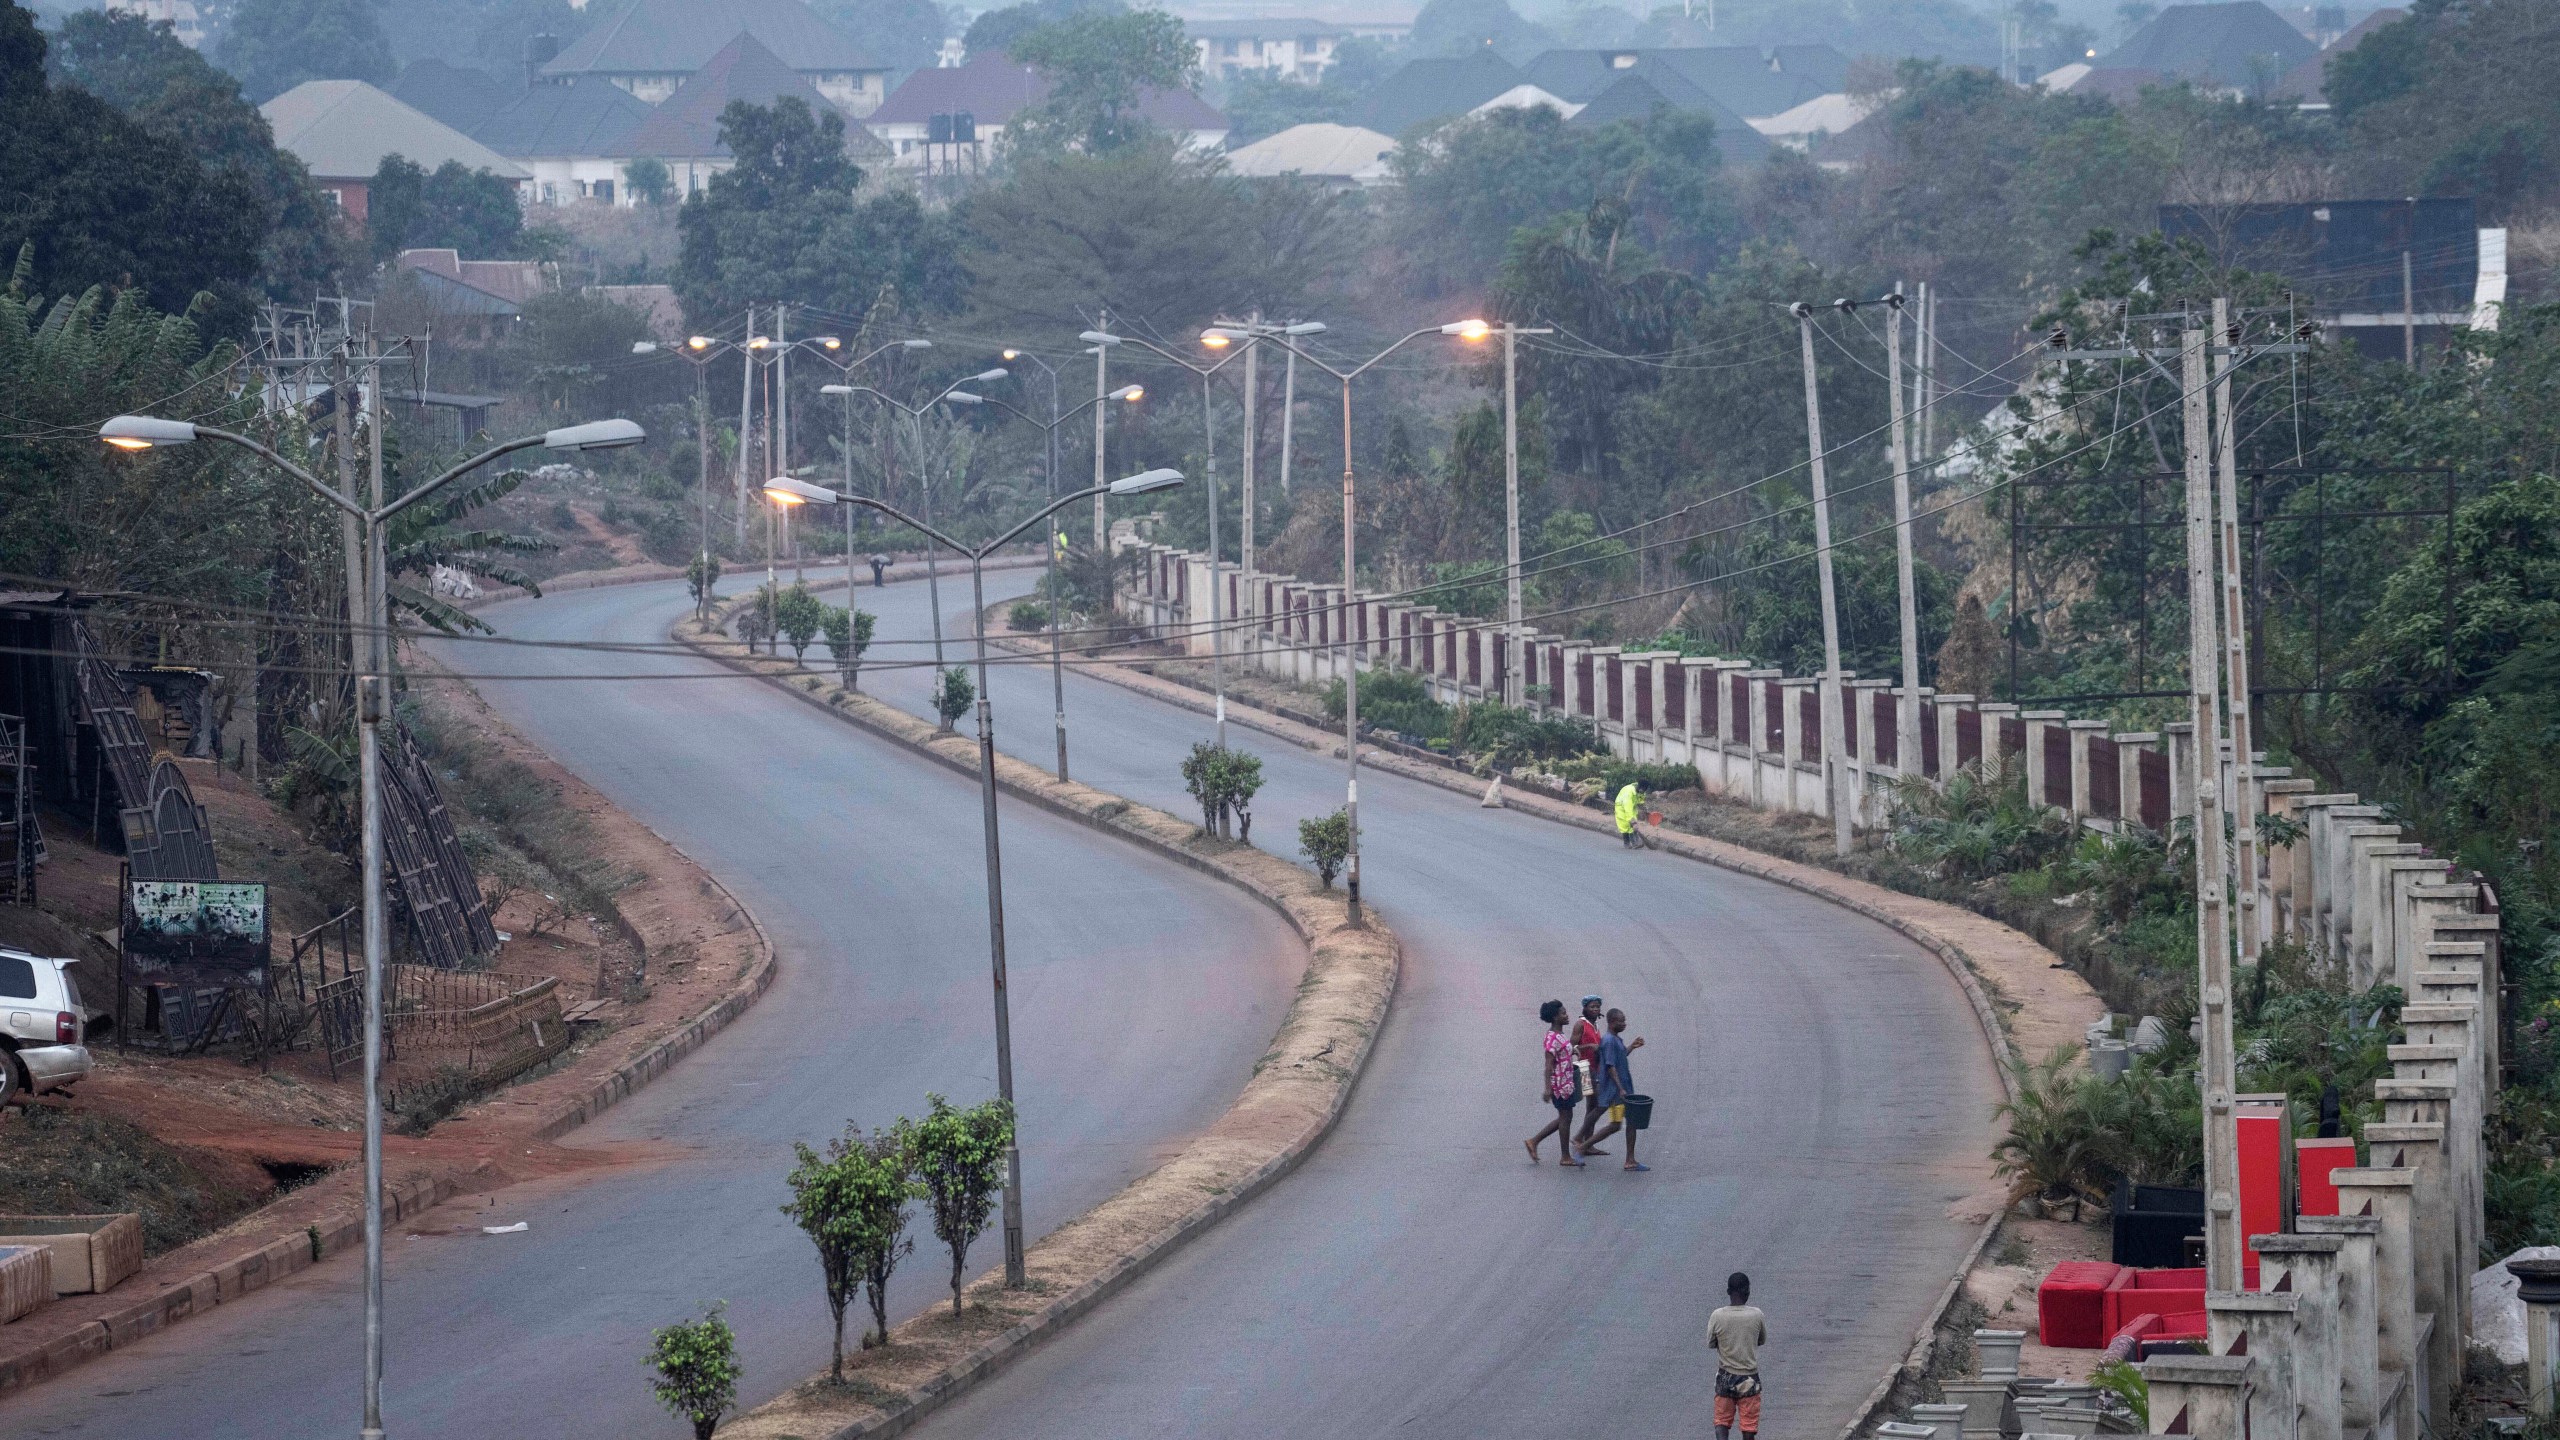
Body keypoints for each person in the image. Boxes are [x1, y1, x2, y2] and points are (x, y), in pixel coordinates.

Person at [1579, 1007, 1647, 1170]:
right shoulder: (1607, 1039)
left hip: (1618, 1090)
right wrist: (1620, 1088)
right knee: (1616, 1122)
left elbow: (1620, 1056)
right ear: (1610, 1022)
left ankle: (1584, 1144)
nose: (1624, 1024)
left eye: (1624, 1021)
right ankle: (1583, 1144)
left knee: (1616, 1123)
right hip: (1616, 1091)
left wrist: (1632, 1046)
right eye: (1620, 1021)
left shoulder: (1614, 1039)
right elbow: (1610, 1066)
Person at [1525, 999, 1585, 1167]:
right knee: (1565, 1118)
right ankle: (1564, 1156)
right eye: (1563, 1013)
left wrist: (1573, 1051)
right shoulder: (1552, 1038)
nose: (1567, 1016)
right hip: (1560, 1085)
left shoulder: (1559, 1035)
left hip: (1567, 1082)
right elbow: (1548, 1065)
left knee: (1565, 1117)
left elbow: (1563, 1052)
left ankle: (1534, 1141)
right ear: (1555, 1017)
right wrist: (1547, 1089)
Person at [1709, 1272, 1767, 1440]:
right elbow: (1761, 1340)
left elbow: (1711, 1343)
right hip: (1749, 1378)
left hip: (1725, 1376)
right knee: (1748, 1425)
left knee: (1721, 1421)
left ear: (1728, 1291)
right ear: (1747, 1291)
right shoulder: (1756, 1315)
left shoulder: (1717, 1315)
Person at [1570, 995, 1607, 1152]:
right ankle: (1582, 1138)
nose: (1595, 1009)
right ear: (1585, 1008)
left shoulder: (1595, 1025)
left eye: (1597, 1006)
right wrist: (1588, 1046)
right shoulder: (1581, 1024)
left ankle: (1588, 1143)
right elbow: (1571, 1047)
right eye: (1592, 1006)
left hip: (1596, 1069)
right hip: (1585, 1068)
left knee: (1592, 1106)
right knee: (1597, 1104)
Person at [1615, 781, 1643, 848]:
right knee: (1625, 825)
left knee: (1633, 824)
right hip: (1621, 806)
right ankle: (1627, 843)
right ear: (1639, 787)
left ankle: (1636, 842)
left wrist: (1643, 808)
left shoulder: (1640, 791)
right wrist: (1632, 822)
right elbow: (1628, 808)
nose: (1643, 792)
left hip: (1632, 806)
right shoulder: (1629, 792)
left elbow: (1641, 800)